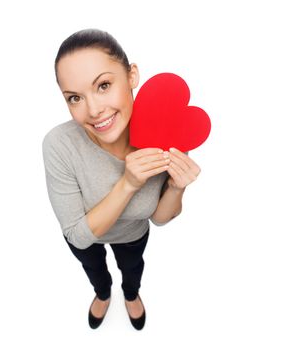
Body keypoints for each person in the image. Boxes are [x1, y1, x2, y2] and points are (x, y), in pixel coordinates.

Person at [42, 28, 201, 330]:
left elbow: (159, 218)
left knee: (132, 268)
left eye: (103, 85)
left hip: (133, 236)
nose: (93, 110)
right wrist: (128, 183)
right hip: (87, 241)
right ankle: (102, 294)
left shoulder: (166, 131)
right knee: (94, 269)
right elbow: (77, 234)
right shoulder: (58, 144)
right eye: (75, 97)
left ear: (131, 76)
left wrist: (177, 188)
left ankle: (130, 294)